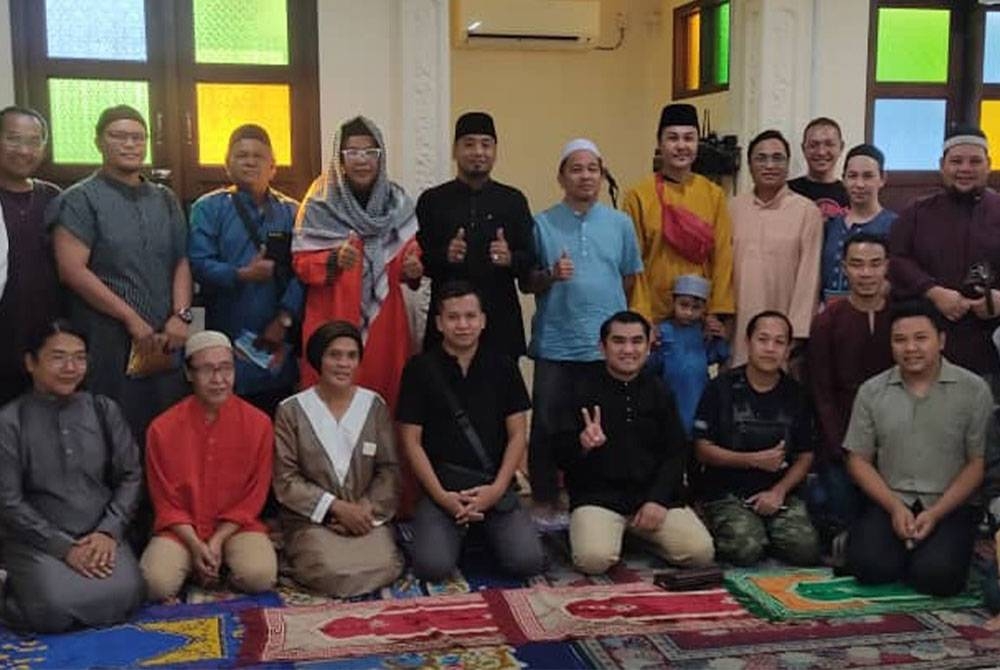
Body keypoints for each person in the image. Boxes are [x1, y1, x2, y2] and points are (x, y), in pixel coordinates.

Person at [49, 105, 190, 438]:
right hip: (107, 335)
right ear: (99, 142)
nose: (130, 144)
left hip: (165, 335)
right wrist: (130, 318)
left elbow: (182, 261)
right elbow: (71, 270)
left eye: (138, 137)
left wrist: (182, 316)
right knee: (112, 428)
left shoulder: (165, 198)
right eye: (119, 136)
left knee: (168, 428)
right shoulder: (80, 199)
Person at [0, 320, 144, 632]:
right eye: (58, 357)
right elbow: (8, 501)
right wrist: (64, 548)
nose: (70, 367)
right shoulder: (9, 422)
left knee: (129, 595)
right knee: (52, 609)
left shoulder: (104, 410)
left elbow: (130, 475)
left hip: (100, 536)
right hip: (37, 541)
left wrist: (109, 531)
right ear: (30, 363)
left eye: (79, 357)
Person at [398, 281, 545, 580]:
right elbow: (410, 441)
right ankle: (460, 530)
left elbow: (518, 434)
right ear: (439, 323)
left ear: (483, 320)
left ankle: (480, 531)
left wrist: (496, 490)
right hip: (444, 488)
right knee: (432, 567)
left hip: (494, 485)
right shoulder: (419, 369)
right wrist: (441, 496)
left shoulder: (503, 366)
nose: (462, 325)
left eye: (470, 316)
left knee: (527, 562)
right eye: (453, 318)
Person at [526, 138, 643, 509]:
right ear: (561, 177)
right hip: (557, 344)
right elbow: (527, 282)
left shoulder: (620, 224)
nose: (585, 176)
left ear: (602, 173)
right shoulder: (542, 224)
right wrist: (551, 274)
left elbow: (627, 279)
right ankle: (544, 502)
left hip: (604, 347)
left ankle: (593, 503)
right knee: (547, 427)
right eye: (575, 169)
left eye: (592, 168)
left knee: (600, 428)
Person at [844, 300, 990, 596]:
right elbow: (858, 459)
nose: (910, 348)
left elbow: (977, 463)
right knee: (868, 569)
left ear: (942, 340)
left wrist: (935, 513)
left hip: (949, 505)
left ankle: (930, 551)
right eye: (900, 340)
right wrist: (894, 507)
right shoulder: (872, 391)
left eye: (921, 338)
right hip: (891, 500)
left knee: (937, 578)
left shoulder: (973, 390)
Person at [557, 311, 714, 575]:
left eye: (636, 341)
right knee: (593, 560)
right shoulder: (579, 389)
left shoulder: (660, 390)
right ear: (602, 347)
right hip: (599, 500)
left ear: (648, 345)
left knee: (700, 553)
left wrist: (657, 499)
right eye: (618, 341)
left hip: (651, 500)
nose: (628, 350)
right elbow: (559, 454)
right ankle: (616, 534)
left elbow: (676, 453)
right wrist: (582, 444)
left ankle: (635, 535)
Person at [293, 115, 423, 413]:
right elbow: (300, 263)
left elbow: (410, 255)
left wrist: (412, 267)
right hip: (332, 316)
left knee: (384, 397)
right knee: (329, 403)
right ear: (340, 157)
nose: (361, 160)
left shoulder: (397, 202)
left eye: (370, 152)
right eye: (352, 152)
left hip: (384, 324)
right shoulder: (319, 201)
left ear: (381, 156)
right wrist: (333, 260)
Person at [141, 331, 277, 601]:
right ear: (189, 374)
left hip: (236, 527)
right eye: (207, 369)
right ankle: (200, 562)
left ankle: (214, 563)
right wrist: (194, 543)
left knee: (260, 575)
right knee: (154, 583)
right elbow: (165, 501)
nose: (218, 379)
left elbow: (254, 497)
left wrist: (216, 540)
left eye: (226, 368)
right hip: (182, 530)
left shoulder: (259, 424)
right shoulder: (162, 428)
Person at [273, 321, 403, 597]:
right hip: (314, 520)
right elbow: (286, 480)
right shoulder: (291, 411)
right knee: (329, 570)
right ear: (319, 359)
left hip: (366, 518)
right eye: (334, 355)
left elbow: (388, 469)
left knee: (386, 564)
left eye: (351, 356)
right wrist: (336, 508)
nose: (343, 363)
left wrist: (364, 509)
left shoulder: (374, 405)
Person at [189, 124, 304, 416]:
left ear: (273, 166)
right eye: (241, 155)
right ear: (228, 165)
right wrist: (242, 274)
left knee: (274, 424)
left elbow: (303, 271)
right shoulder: (208, 208)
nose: (250, 161)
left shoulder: (293, 212)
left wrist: (284, 319)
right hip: (223, 331)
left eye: (258, 156)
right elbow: (198, 264)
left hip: (276, 339)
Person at [693, 310, 821, 566]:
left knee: (805, 550)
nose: (770, 348)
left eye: (779, 342)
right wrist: (752, 460)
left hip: (778, 494)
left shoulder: (796, 394)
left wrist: (778, 492)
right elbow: (701, 449)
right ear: (748, 342)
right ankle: (725, 525)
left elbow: (806, 456)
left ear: (787, 350)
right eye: (763, 340)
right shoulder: (720, 388)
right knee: (745, 549)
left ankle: (766, 530)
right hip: (727, 492)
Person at [416, 112, 536, 359]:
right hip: (447, 323)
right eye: (469, 144)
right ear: (454, 150)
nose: (478, 152)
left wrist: (510, 259)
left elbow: (531, 258)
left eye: (486, 144)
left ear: (495, 151)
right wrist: (445, 255)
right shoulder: (432, 200)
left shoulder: (513, 200)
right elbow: (419, 261)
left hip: (500, 323)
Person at [889, 125, 1000, 385]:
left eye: (974, 161)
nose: (965, 169)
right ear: (942, 165)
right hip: (928, 349)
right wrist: (933, 292)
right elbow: (897, 260)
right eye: (956, 161)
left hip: (990, 348)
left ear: (988, 165)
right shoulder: (917, 213)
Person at [807, 233, 893, 540]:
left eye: (874, 264)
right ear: (844, 268)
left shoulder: (901, 316)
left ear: (887, 266)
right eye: (857, 265)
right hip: (842, 439)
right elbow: (821, 391)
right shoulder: (828, 321)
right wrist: (842, 446)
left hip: (895, 441)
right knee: (845, 527)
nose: (866, 273)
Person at [622, 103, 735, 331]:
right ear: (659, 143)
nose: (681, 146)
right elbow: (632, 263)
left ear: (697, 143)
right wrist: (641, 316)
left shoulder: (713, 195)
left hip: (697, 315)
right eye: (673, 138)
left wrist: (716, 312)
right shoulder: (638, 196)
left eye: (689, 138)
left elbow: (722, 256)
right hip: (653, 318)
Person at [730, 130, 822, 367]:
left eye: (778, 158)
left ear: (788, 164)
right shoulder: (732, 209)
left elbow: (809, 276)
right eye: (761, 158)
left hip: (784, 331)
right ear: (749, 165)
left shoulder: (806, 211)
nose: (770, 165)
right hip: (739, 325)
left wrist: (797, 332)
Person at [0, 106, 63, 406]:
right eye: (13, 139)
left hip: (46, 336)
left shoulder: (54, 198)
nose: (24, 150)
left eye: (34, 141)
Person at [647, 274, 730, 436]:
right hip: (670, 392)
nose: (689, 312)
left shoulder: (704, 332)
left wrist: (720, 338)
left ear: (704, 308)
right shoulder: (663, 331)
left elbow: (718, 356)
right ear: (673, 302)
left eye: (696, 308)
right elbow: (651, 366)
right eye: (683, 305)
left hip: (698, 392)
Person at [820, 144, 896, 303]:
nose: (859, 184)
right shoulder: (830, 225)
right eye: (853, 176)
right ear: (844, 179)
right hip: (828, 316)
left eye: (867, 176)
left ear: (882, 179)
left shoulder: (896, 226)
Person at [787, 117, 849, 219]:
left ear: (841, 147)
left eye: (829, 144)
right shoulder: (786, 191)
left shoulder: (851, 193)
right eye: (813, 145)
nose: (821, 152)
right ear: (803, 148)